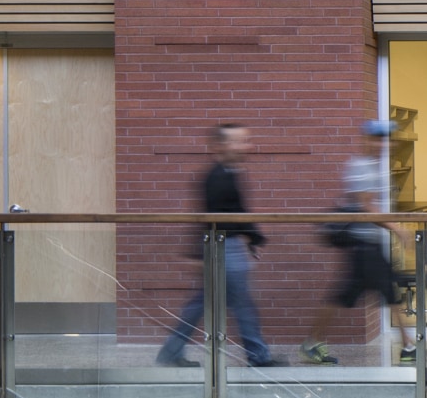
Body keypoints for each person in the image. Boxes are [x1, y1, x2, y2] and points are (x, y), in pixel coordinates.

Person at [159, 122, 278, 367]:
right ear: (221, 145)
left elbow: (234, 213)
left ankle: (170, 353)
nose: (247, 146)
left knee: (203, 302)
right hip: (224, 248)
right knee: (241, 303)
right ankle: (258, 356)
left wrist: (252, 237)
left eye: (246, 140)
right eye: (239, 141)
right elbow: (213, 218)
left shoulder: (229, 173)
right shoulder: (217, 178)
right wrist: (253, 236)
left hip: (223, 247)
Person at [304, 120, 410, 364]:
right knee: (384, 291)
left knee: (353, 294)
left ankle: (312, 341)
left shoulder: (375, 166)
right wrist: (397, 229)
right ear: (366, 140)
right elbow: (366, 205)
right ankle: (409, 345)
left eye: (387, 139)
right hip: (363, 244)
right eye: (378, 138)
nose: (384, 144)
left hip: (369, 243)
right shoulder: (361, 166)